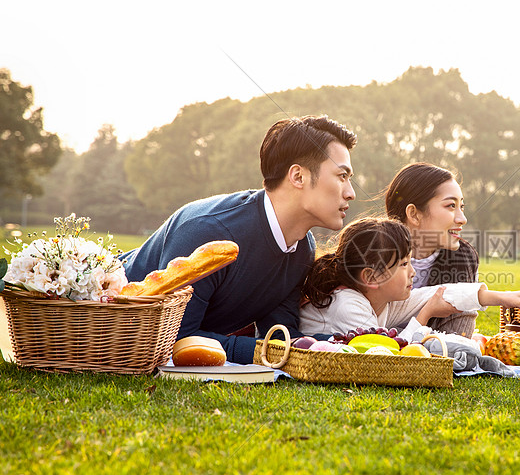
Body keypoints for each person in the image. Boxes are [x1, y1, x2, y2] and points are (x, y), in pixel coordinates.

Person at [121, 115, 357, 364]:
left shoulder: (302, 247)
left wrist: (338, 343)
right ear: (298, 177)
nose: (350, 192)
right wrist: (264, 352)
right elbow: (174, 340)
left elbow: (278, 334)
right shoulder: (209, 231)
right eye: (342, 176)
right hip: (100, 324)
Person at [299, 217, 520, 339]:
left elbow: (437, 293)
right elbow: (386, 355)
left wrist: (503, 297)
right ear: (371, 276)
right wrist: (425, 315)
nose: (413, 272)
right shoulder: (347, 305)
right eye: (405, 264)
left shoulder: (380, 298)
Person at [384, 162, 479, 336]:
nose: (462, 218)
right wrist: (426, 314)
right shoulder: (372, 256)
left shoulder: (463, 259)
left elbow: (456, 345)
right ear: (414, 214)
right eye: (451, 205)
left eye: (462, 206)